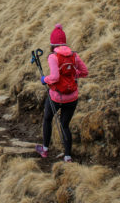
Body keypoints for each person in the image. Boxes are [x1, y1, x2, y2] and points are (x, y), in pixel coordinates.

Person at [35, 24, 88, 163]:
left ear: (52, 44)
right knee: (65, 125)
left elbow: (55, 77)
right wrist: (72, 74)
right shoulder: (73, 55)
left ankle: (45, 150)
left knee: (47, 118)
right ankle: (67, 156)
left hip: (56, 95)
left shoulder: (53, 57)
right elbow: (84, 72)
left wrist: (44, 79)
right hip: (72, 97)